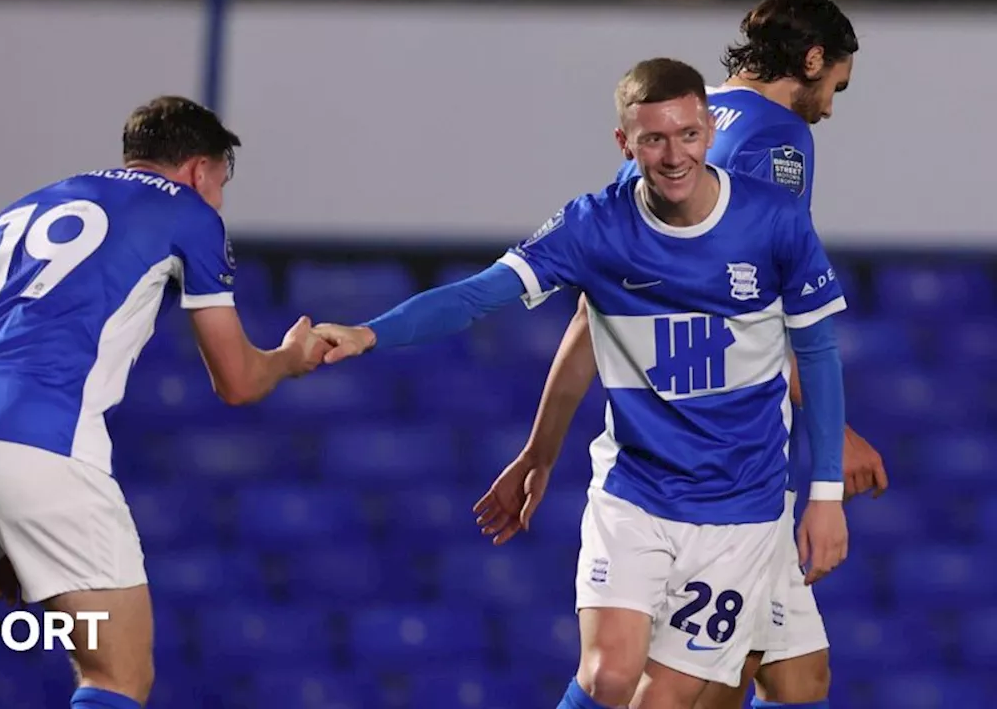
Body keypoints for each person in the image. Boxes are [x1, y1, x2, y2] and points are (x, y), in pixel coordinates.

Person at [313, 58, 849, 709]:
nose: (674, 155)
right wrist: (372, 334)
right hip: (635, 493)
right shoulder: (594, 226)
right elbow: (482, 294)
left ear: (709, 131)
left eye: (686, 135)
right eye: (653, 139)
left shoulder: (772, 220)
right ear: (625, 144)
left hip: (740, 511)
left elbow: (818, 351)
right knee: (609, 677)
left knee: (726, 691)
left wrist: (825, 493)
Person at [475, 0, 883, 707]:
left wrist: (541, 450)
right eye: (836, 87)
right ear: (814, 61)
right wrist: (833, 429)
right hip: (719, 476)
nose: (830, 107)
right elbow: (744, 312)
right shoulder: (777, 141)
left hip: (707, 464)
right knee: (688, 689)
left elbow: (594, 314)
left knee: (796, 677)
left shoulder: (693, 119)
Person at [0, 96, 329, 709]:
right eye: (221, 182)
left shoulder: (23, 208)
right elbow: (238, 381)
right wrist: (290, 358)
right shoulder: (189, 213)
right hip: (45, 435)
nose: (218, 199)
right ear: (200, 169)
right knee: (117, 673)